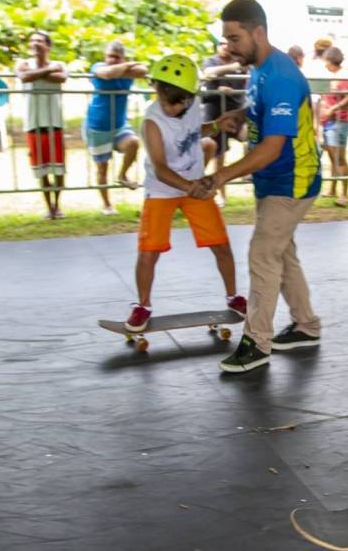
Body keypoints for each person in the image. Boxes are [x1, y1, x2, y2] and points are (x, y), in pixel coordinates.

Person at [198, 0, 323, 374]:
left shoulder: (281, 76)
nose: (229, 47)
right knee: (281, 255)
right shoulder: (260, 69)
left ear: (258, 32)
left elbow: (272, 148)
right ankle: (306, 325)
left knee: (262, 255)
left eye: (235, 39)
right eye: (226, 40)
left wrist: (220, 175)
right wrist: (238, 115)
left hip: (291, 181)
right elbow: (261, 111)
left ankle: (257, 343)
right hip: (273, 180)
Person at [125, 55, 247, 332]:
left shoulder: (192, 106)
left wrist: (216, 125)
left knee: (221, 245)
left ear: (190, 97)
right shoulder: (152, 122)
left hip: (194, 186)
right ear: (157, 90)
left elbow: (192, 132)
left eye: (178, 102)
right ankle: (143, 305)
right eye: (165, 100)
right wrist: (190, 187)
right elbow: (160, 168)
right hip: (162, 190)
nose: (170, 107)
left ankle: (233, 297)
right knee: (148, 252)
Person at [83, 41, 146, 216]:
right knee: (102, 168)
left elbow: (143, 70)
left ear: (123, 57)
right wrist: (126, 67)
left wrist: (122, 69)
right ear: (105, 56)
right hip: (97, 127)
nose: (112, 60)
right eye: (110, 56)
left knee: (133, 143)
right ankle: (107, 205)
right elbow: (107, 73)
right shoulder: (97, 67)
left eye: (117, 57)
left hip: (119, 126)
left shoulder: (125, 70)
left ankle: (122, 175)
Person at [15, 30, 67, 219]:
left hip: (55, 122)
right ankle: (49, 207)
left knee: (59, 168)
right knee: (42, 169)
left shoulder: (59, 64)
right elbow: (24, 77)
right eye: (32, 40)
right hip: (34, 123)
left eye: (40, 41)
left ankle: (57, 204)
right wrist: (46, 71)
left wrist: (40, 73)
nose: (35, 44)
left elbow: (60, 77)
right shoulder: (23, 63)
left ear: (48, 45)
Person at [201, 39, 248, 208]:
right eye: (221, 43)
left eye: (228, 43)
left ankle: (249, 173)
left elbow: (250, 71)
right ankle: (220, 194)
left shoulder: (240, 61)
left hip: (236, 113)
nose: (225, 46)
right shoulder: (211, 61)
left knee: (251, 137)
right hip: (215, 114)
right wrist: (232, 68)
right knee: (218, 155)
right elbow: (208, 72)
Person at [319, 46, 348, 207]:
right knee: (333, 157)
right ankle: (333, 189)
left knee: (339, 158)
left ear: (330, 60)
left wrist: (334, 108)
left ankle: (344, 195)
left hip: (339, 121)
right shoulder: (334, 76)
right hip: (330, 121)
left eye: (325, 60)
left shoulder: (343, 76)